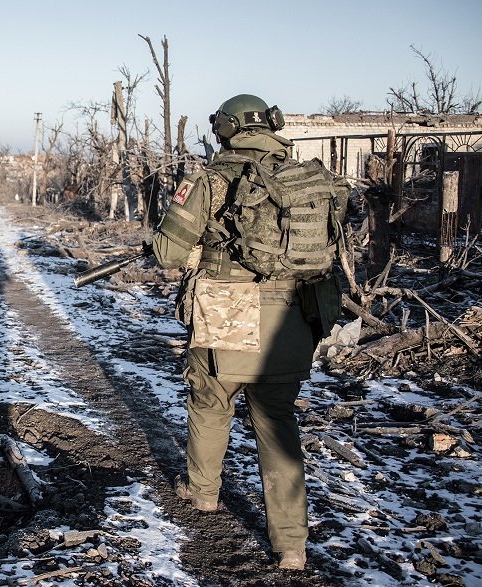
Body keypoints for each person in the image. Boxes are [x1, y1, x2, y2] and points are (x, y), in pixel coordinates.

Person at [151, 93, 346, 571]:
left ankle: (203, 494)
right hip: (293, 318)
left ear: (226, 129)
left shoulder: (211, 180)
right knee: (277, 422)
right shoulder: (307, 180)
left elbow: (166, 253)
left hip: (226, 310)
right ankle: (292, 546)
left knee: (211, 399)